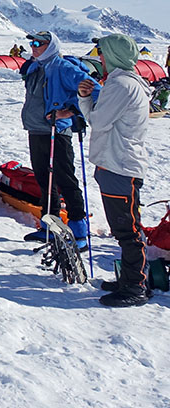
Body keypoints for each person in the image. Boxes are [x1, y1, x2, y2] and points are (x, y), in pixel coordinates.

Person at [79, 33, 152, 307]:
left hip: (120, 166)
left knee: (127, 229)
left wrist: (85, 100)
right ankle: (130, 279)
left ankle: (135, 287)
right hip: (116, 164)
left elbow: (99, 121)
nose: (99, 58)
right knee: (123, 227)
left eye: (102, 53)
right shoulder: (123, 82)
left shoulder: (121, 84)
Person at [19, 30, 98, 246]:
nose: (34, 46)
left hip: (56, 132)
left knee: (65, 179)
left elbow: (93, 89)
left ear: (51, 45)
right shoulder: (36, 66)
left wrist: (71, 111)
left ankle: (79, 231)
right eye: (32, 42)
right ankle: (49, 226)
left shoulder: (63, 68)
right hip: (36, 130)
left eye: (39, 43)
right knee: (45, 180)